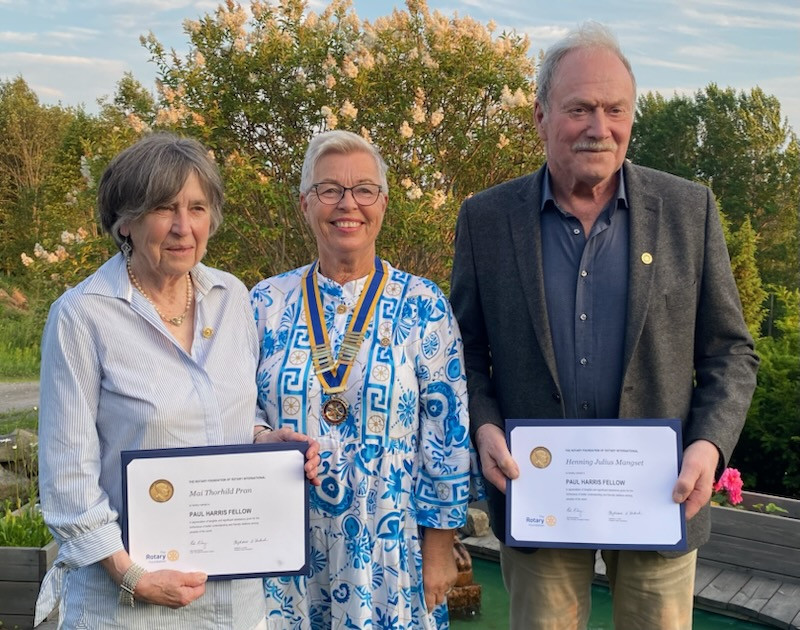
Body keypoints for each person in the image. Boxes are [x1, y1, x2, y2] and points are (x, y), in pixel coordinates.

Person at [449, 22, 759, 630]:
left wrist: (707, 445)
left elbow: (731, 353)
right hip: (535, 497)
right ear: (540, 115)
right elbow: (463, 352)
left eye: (616, 108)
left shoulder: (688, 209)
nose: (600, 127)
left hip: (659, 497)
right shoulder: (486, 219)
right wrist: (482, 426)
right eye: (580, 108)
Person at [34, 133, 320, 629]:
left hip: (235, 603)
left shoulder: (231, 296)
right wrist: (132, 577)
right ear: (125, 220)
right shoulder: (81, 316)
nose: (183, 227)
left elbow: (232, 413)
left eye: (197, 207)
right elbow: (67, 481)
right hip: (126, 608)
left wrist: (267, 442)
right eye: (164, 208)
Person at [251, 130, 473, 629]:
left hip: (390, 545)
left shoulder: (423, 305)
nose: (347, 204)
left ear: (383, 203)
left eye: (363, 190)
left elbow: (447, 433)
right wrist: (262, 434)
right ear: (305, 204)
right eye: (329, 190)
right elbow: (234, 406)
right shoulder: (266, 302)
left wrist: (439, 549)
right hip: (284, 540)